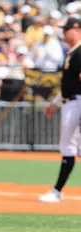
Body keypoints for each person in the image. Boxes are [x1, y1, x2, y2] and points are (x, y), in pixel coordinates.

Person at [39, 18, 81, 203]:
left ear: (77, 30)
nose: (64, 33)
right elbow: (68, 83)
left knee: (69, 148)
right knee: (70, 148)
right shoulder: (71, 52)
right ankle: (57, 191)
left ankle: (57, 191)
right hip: (70, 101)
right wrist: (55, 103)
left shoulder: (80, 52)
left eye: (67, 30)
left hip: (78, 103)